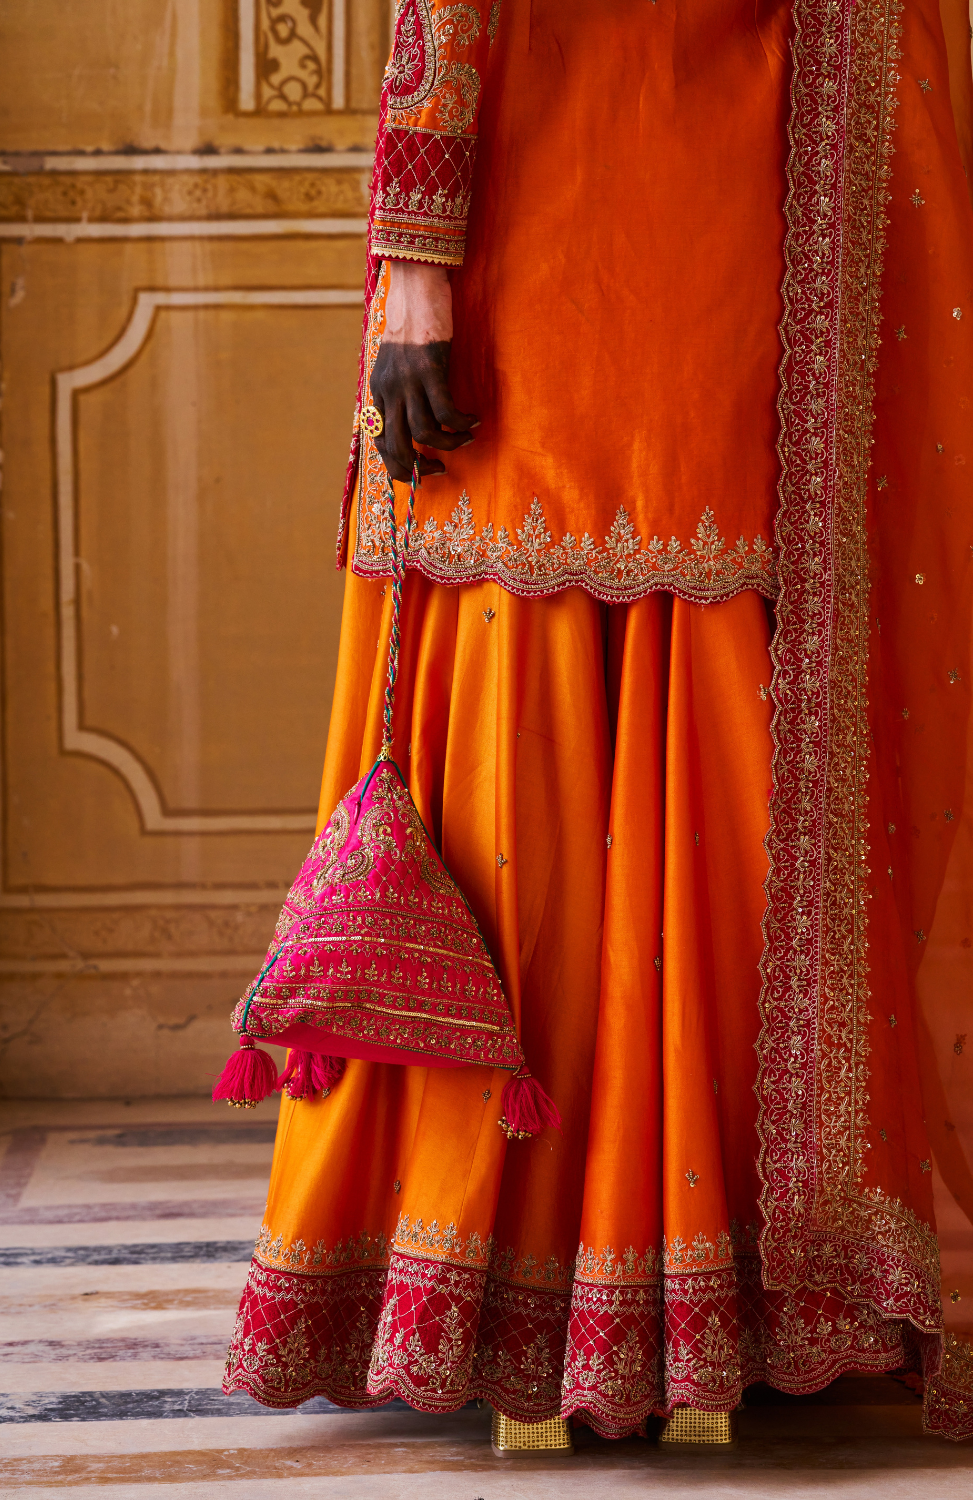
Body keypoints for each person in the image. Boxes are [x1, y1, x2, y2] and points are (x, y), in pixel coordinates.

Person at [222, 0, 973, 1444]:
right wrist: (418, 268)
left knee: (719, 705)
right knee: (524, 703)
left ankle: (716, 1293)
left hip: (742, 201)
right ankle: (504, 1286)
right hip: (545, 201)